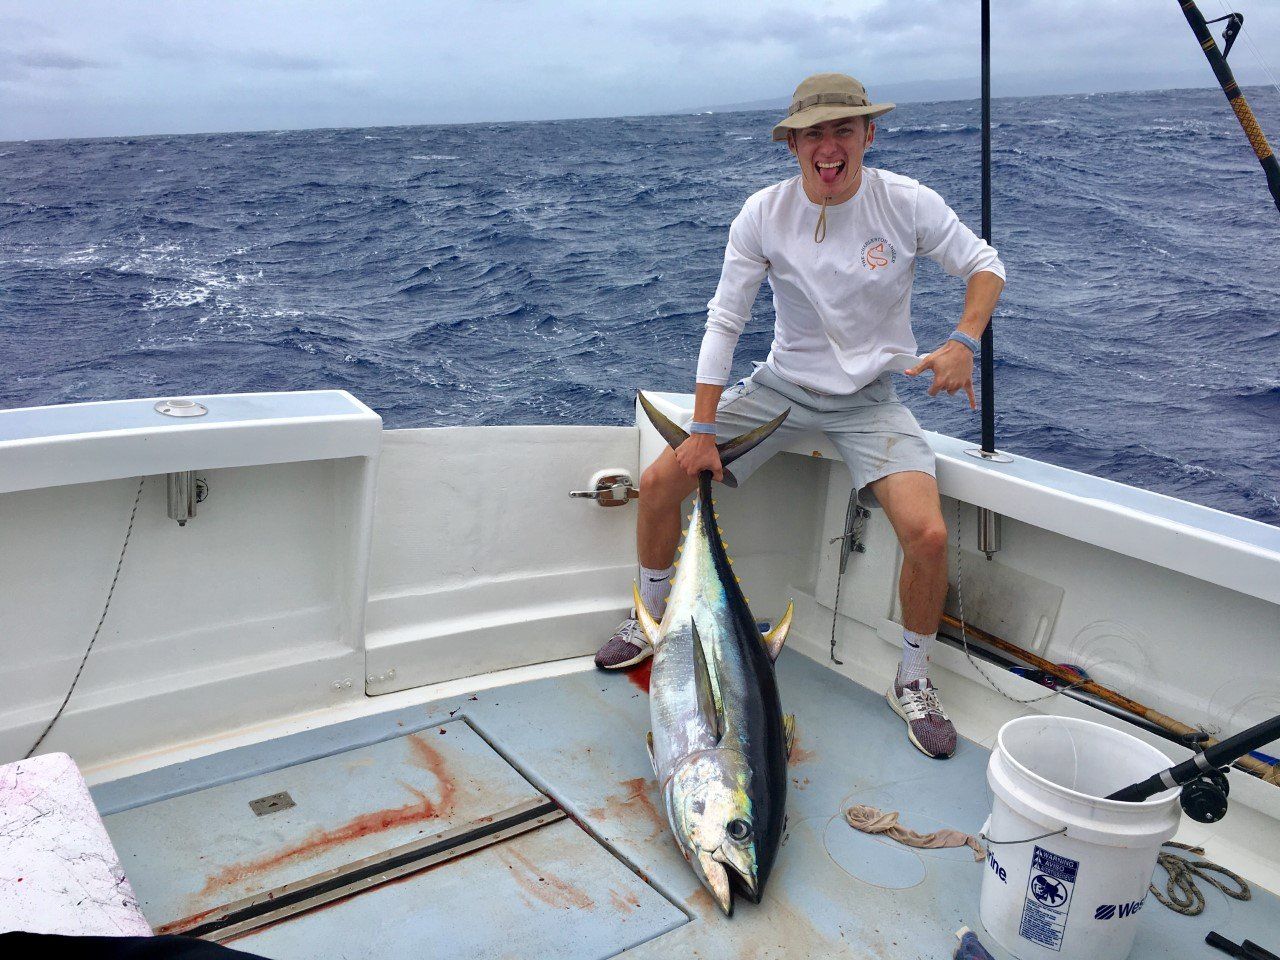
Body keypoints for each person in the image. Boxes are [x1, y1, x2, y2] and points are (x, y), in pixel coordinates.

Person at [596, 73, 1006, 760]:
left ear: (869, 135)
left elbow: (985, 266)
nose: (828, 146)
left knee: (929, 536)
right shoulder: (764, 213)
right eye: (813, 133)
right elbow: (726, 319)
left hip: (871, 400)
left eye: (844, 129)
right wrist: (703, 430)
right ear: (792, 145)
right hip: (781, 390)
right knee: (661, 482)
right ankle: (651, 619)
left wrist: (963, 341)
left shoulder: (906, 202)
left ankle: (911, 680)